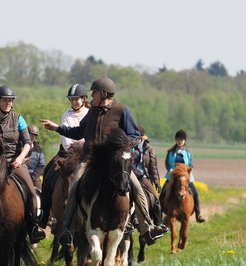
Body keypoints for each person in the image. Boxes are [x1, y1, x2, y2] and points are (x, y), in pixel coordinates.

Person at [40, 77, 168, 246]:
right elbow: (79, 132)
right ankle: (67, 230)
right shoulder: (92, 111)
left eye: (94, 92)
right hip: (89, 160)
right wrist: (58, 128)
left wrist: (119, 147)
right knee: (74, 188)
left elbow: (134, 135)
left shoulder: (122, 111)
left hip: (112, 162)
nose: (91, 95)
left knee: (137, 187)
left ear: (104, 94)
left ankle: (147, 228)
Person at [0, 85, 46, 243]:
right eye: (5, 100)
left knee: (32, 193)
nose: (8, 103)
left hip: (15, 163)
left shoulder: (18, 119)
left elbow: (28, 143)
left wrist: (20, 158)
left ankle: (33, 226)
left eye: (10, 100)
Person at [39, 84, 90, 227]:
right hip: (67, 154)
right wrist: (75, 148)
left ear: (84, 98)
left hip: (86, 154)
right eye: (71, 99)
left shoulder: (89, 114)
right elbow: (66, 139)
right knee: (49, 171)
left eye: (76, 99)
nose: (74, 102)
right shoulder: (66, 115)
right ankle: (44, 213)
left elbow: (88, 136)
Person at [161, 129, 205, 223]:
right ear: (176, 140)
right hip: (172, 176)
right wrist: (173, 172)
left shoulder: (188, 152)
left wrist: (184, 173)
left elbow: (191, 164)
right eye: (178, 140)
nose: (180, 141)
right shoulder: (171, 152)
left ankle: (198, 214)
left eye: (182, 140)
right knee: (163, 193)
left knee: (195, 194)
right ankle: (159, 215)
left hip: (185, 177)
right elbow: (168, 164)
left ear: (184, 141)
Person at [132, 125, 163, 226]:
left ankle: (158, 225)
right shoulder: (128, 146)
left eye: (138, 137)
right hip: (130, 176)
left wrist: (157, 183)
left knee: (156, 199)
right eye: (135, 137)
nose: (136, 139)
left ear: (142, 137)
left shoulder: (148, 148)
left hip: (142, 177)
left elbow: (153, 167)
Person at [27, 124, 45, 190]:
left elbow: (41, 165)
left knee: (41, 192)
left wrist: (33, 177)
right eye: (31, 134)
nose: (33, 137)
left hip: (34, 177)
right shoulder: (19, 147)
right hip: (21, 176)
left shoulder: (39, 150)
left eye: (35, 135)